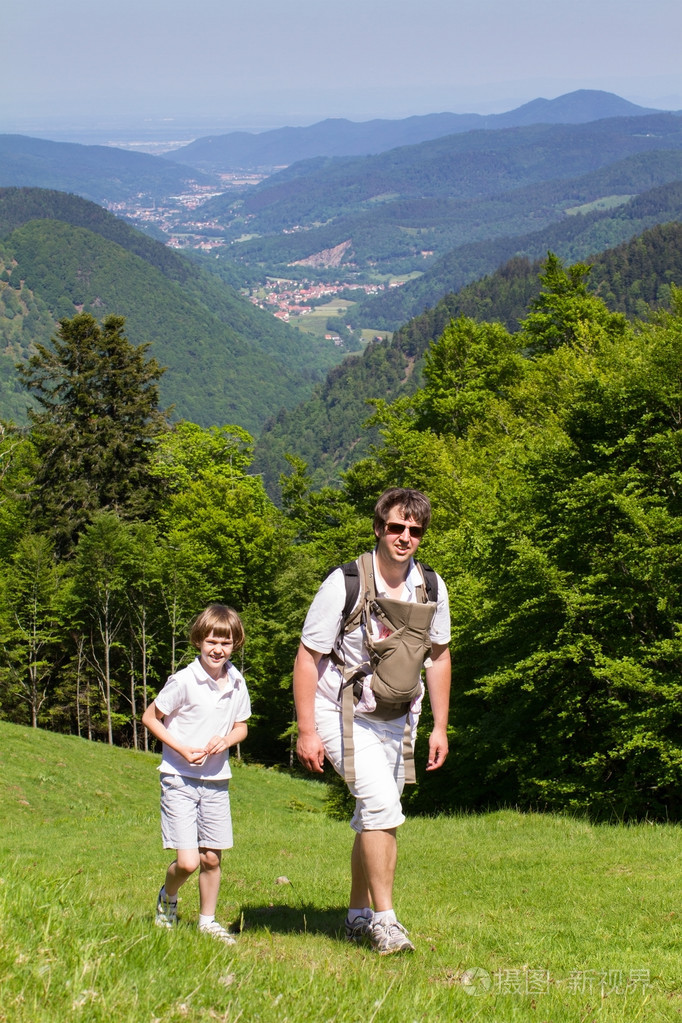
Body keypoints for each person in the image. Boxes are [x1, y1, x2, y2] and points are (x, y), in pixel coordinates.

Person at [293, 487, 451, 954]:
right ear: (379, 528)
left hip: (399, 714)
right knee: (382, 807)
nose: (405, 537)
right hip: (341, 709)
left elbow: (439, 657)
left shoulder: (431, 586)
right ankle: (386, 922)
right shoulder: (344, 583)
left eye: (415, 530)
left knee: (373, 816)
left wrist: (440, 727)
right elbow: (307, 658)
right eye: (396, 527)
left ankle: (357, 917)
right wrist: (306, 730)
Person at [142, 603, 251, 944]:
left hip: (216, 781)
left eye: (226, 642)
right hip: (178, 778)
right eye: (211, 641)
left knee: (212, 859)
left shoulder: (237, 681)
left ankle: (207, 922)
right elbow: (150, 717)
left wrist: (226, 740)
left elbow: (242, 726)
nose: (218, 649)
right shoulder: (184, 680)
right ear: (198, 641)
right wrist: (181, 748)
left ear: (235, 644)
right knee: (188, 862)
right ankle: (168, 899)